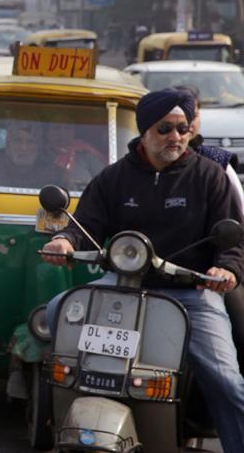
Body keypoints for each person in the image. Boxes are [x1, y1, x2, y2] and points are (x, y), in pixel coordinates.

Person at [41, 88, 244, 451]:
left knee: (227, 382)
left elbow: (233, 241)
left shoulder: (209, 177)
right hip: (123, 284)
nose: (176, 137)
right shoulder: (114, 177)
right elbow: (85, 226)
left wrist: (225, 269)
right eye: (165, 128)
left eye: (183, 129)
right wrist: (66, 243)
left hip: (190, 293)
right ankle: (55, 419)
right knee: (58, 310)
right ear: (146, 130)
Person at [0, 120, 68, 189]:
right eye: (18, 141)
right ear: (8, 146)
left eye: (30, 142)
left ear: (39, 146)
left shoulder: (56, 176)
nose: (24, 148)